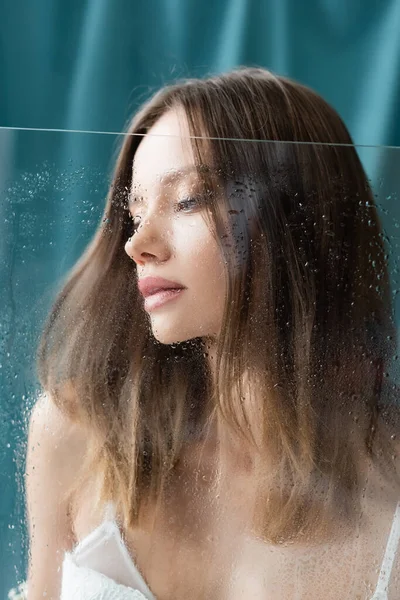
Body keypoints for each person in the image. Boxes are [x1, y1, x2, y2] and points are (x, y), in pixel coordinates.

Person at [25, 66, 400, 599]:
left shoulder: (389, 493)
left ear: (292, 220)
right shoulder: (75, 434)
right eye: (135, 212)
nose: (139, 244)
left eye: (187, 200)